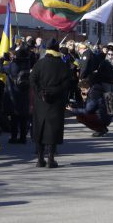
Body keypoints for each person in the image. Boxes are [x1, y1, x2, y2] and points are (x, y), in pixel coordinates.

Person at [30, 38, 72, 167]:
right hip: (56, 102)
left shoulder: (39, 64)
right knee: (53, 129)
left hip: (40, 102)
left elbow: (32, 79)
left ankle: (40, 159)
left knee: (39, 129)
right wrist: (57, 94)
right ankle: (51, 159)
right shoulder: (63, 65)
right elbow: (66, 85)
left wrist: (40, 93)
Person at [0, 46, 33, 144]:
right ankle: (23, 137)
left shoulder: (12, 65)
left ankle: (14, 137)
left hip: (13, 94)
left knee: (14, 117)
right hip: (24, 94)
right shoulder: (27, 63)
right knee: (23, 117)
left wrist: (1, 59)